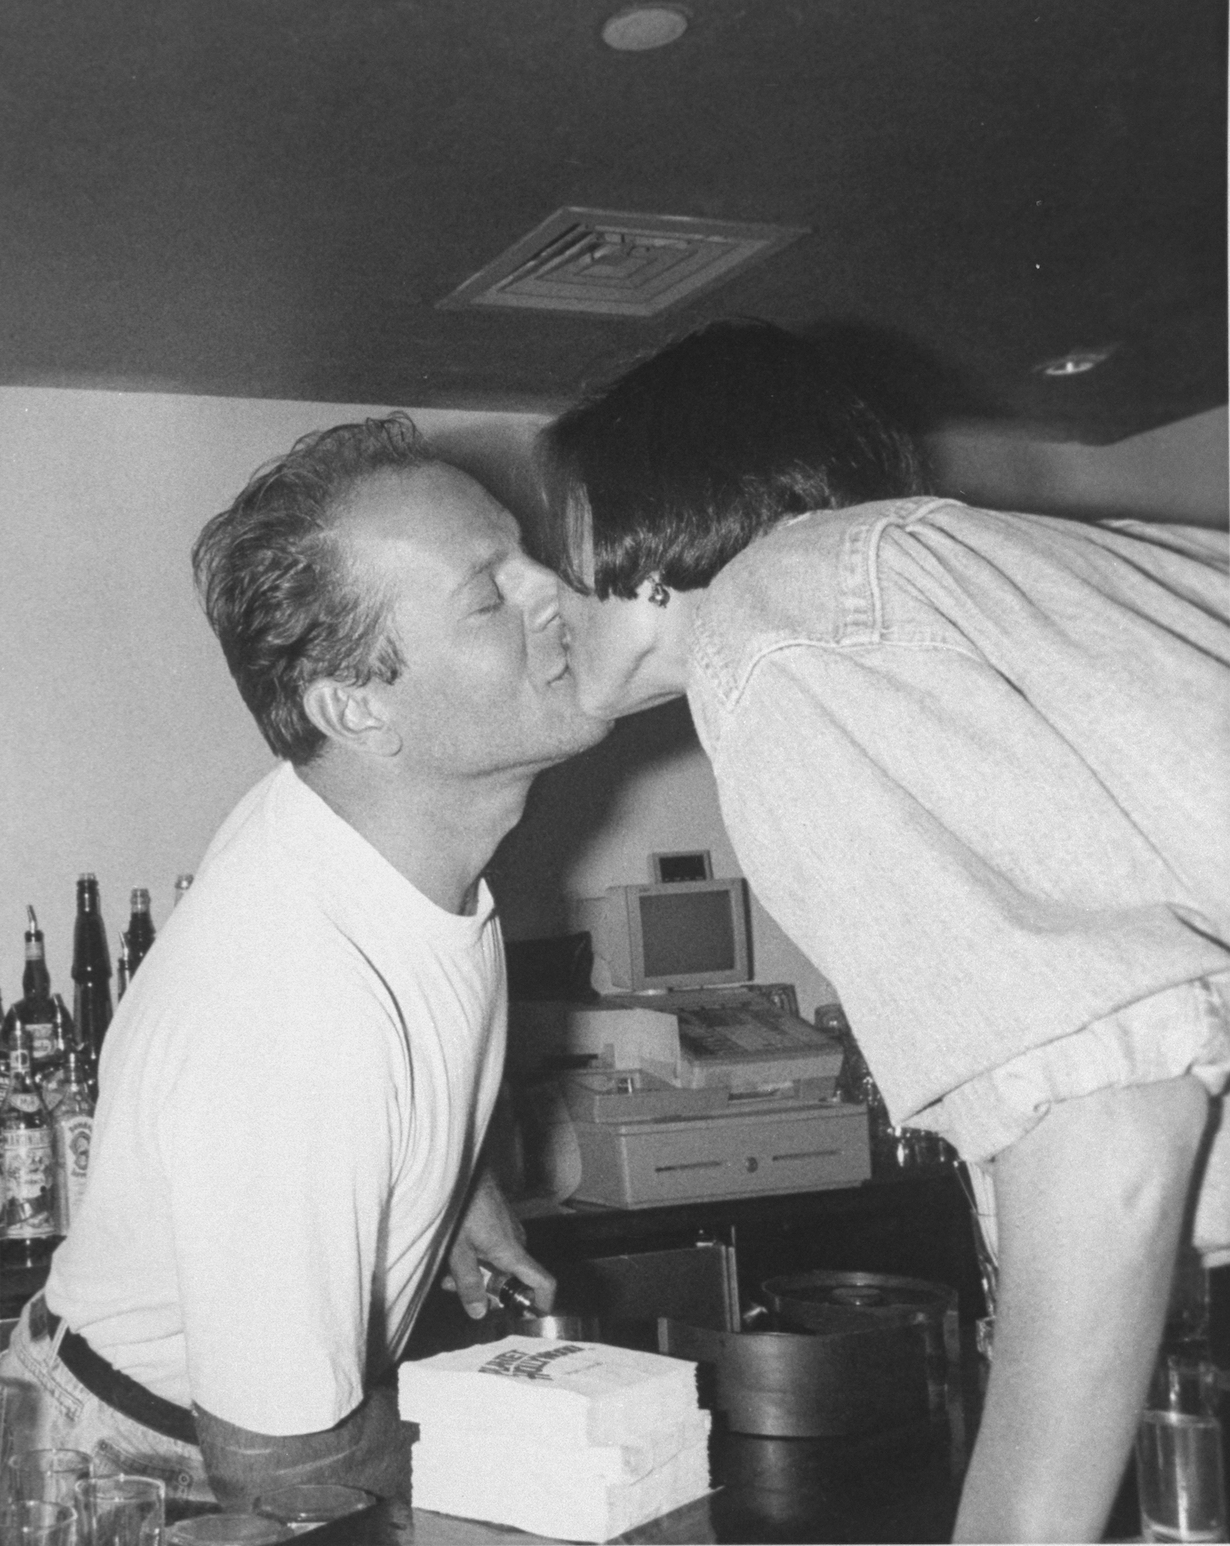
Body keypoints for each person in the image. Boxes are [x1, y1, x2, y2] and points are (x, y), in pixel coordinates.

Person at [535, 319, 1230, 1543]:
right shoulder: (933, 581)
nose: (547, 592)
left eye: (561, 543)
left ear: (646, 541)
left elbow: (1110, 1120)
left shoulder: (771, 629)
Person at [0, 414, 609, 1507]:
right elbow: (281, 1467)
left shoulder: (376, 830)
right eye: (489, 595)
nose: (556, 593)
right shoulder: (296, 1008)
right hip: (148, 1467)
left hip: (211, 1427)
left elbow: (411, 1024)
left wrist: (452, 1182)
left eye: (526, 556)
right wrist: (535, 1477)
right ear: (358, 708)